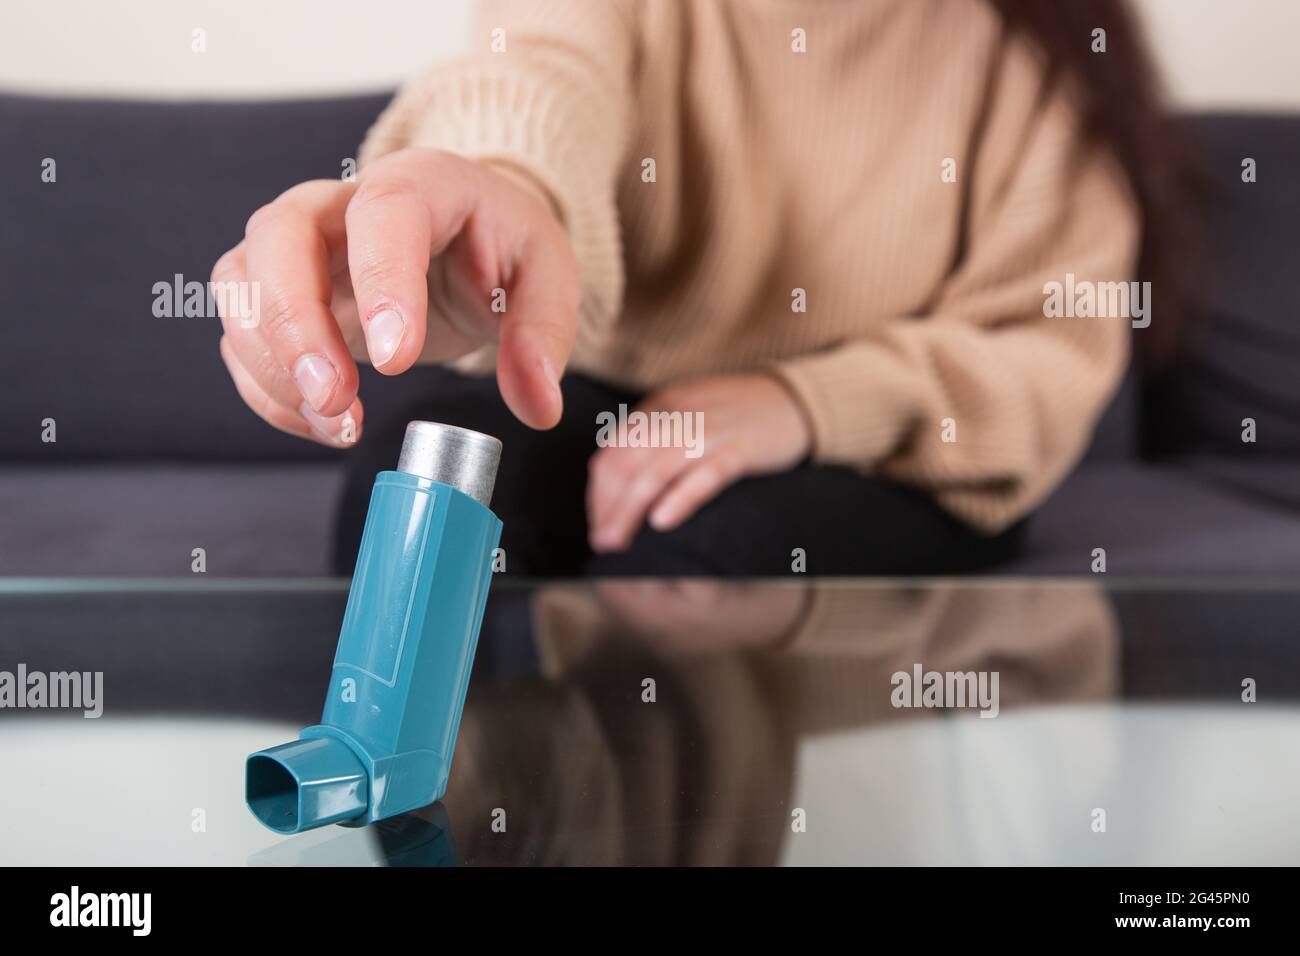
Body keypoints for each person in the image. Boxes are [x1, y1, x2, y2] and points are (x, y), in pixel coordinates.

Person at [211, 0, 1192, 576]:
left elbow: (1042, 350)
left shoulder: (1028, 54)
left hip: (891, 450)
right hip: (614, 396)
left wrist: (802, 404)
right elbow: (539, 80)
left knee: (705, 548)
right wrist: (492, 212)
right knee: (430, 476)